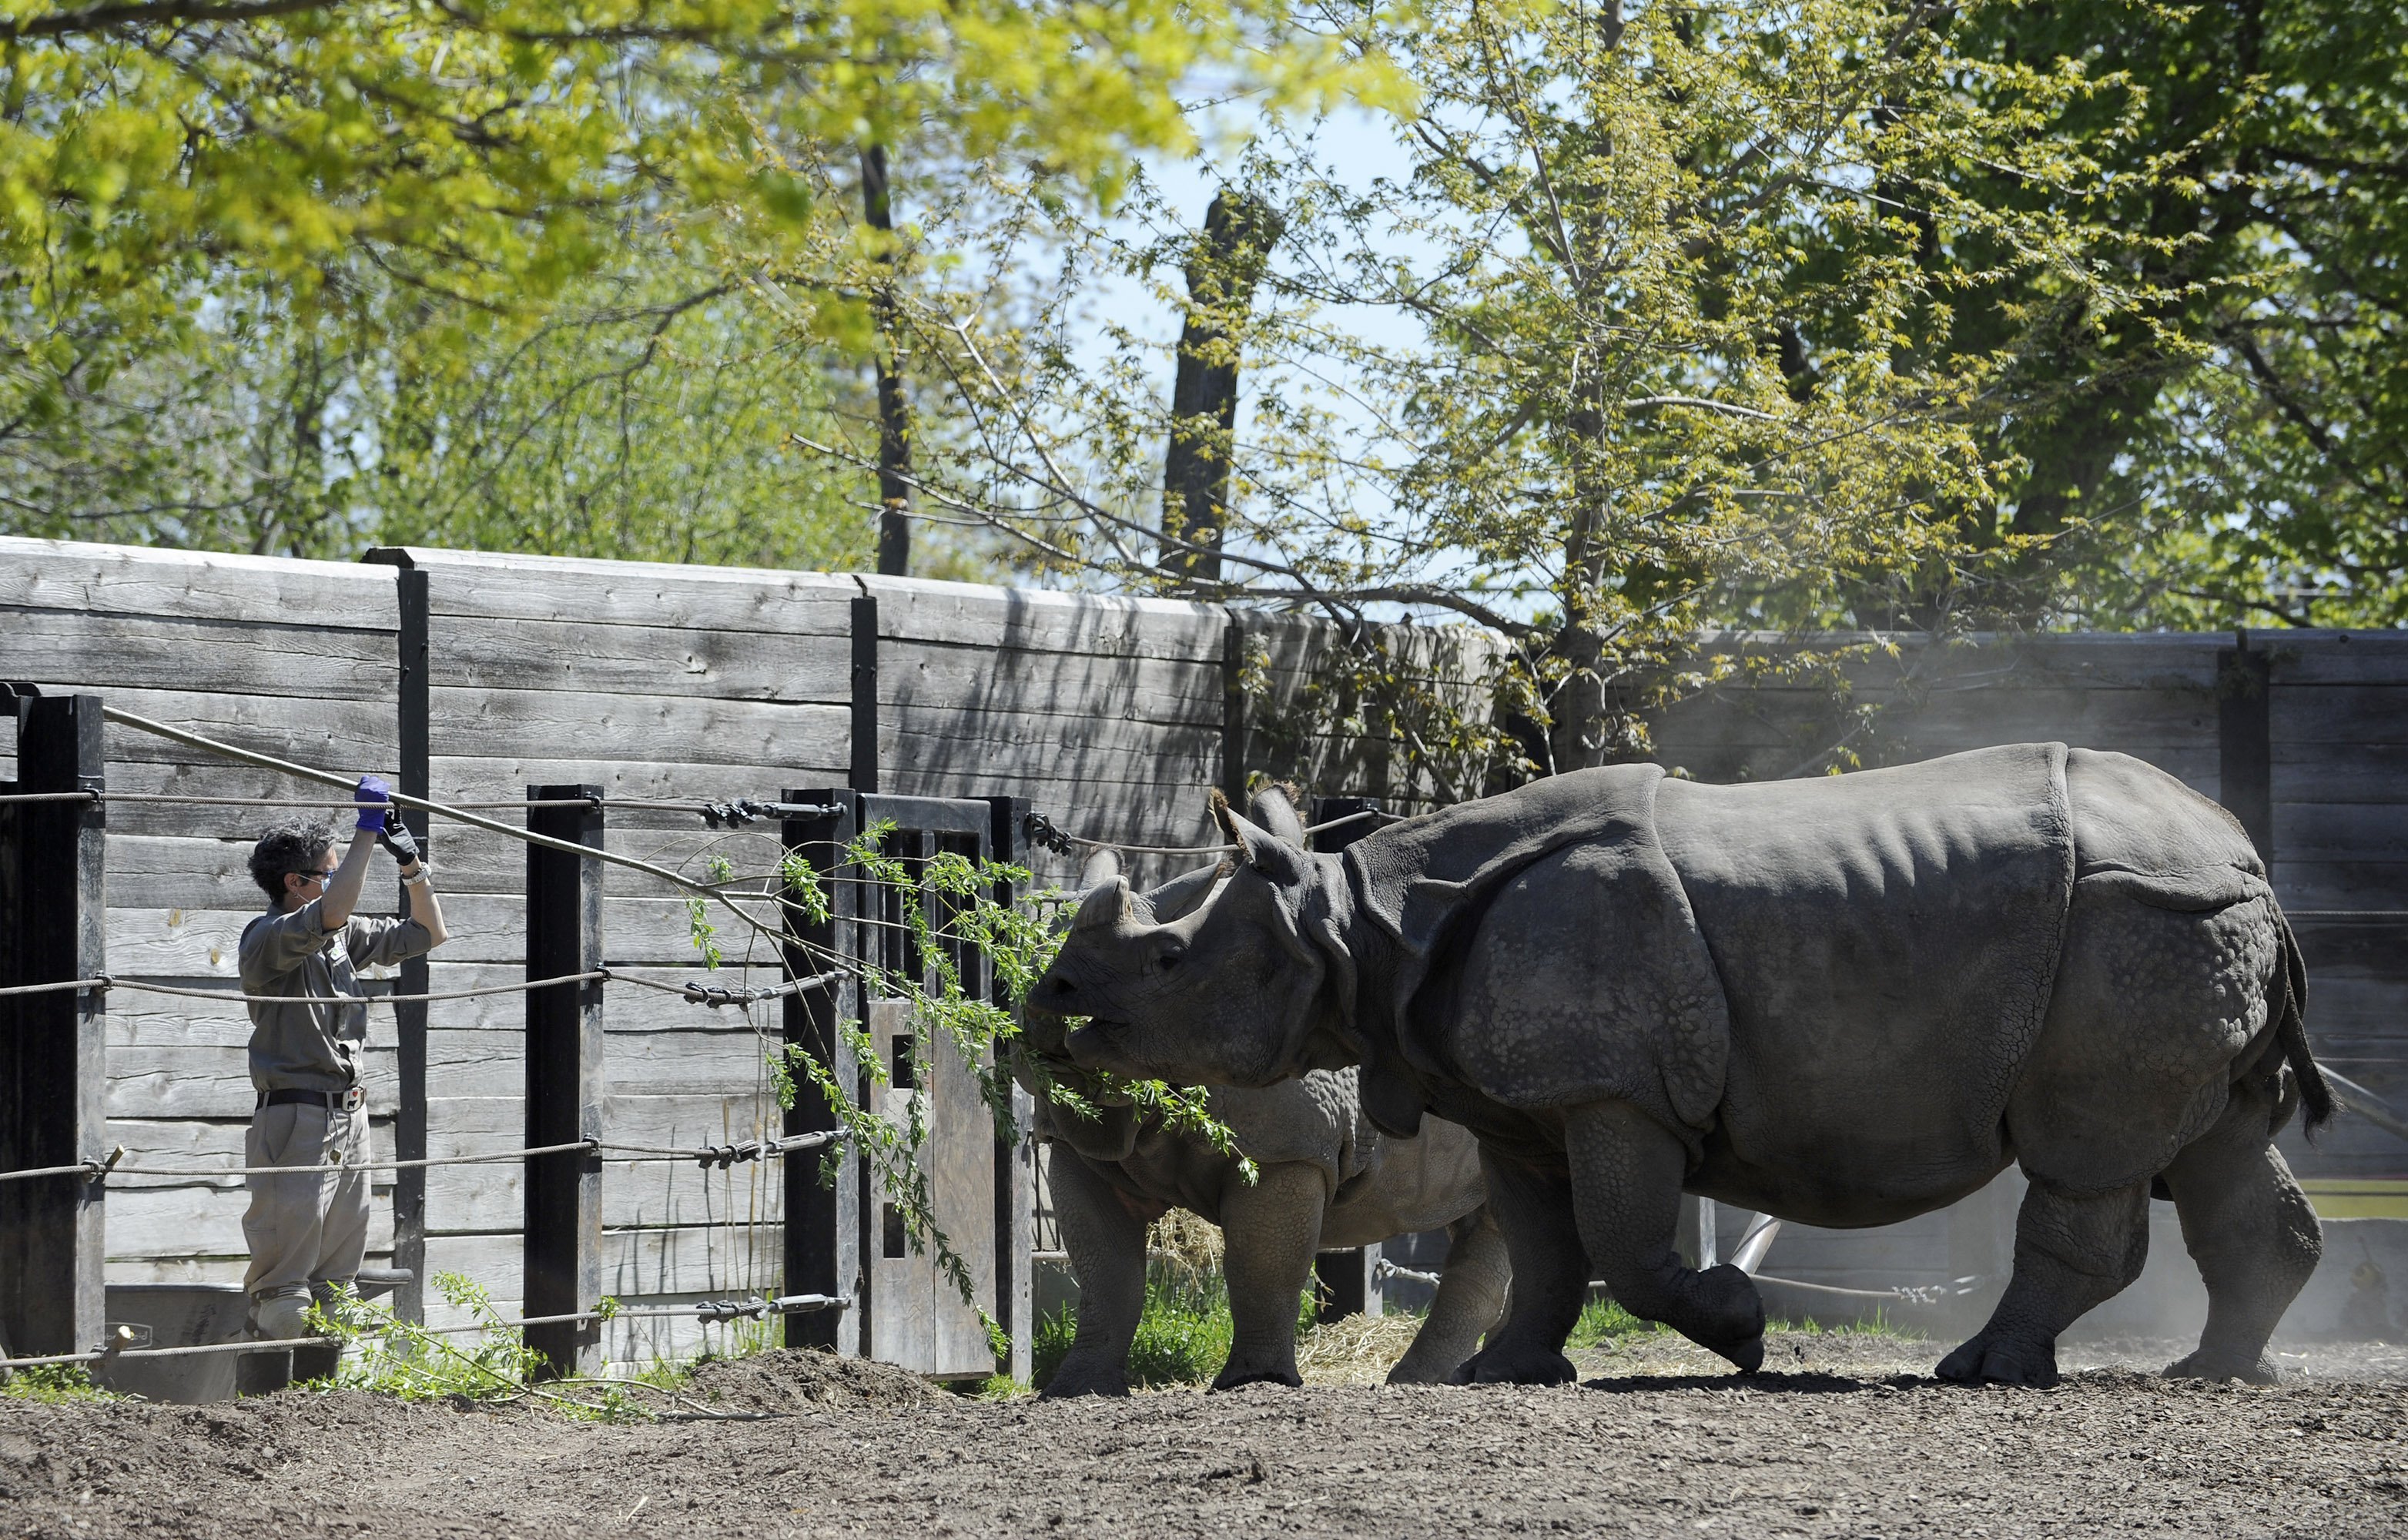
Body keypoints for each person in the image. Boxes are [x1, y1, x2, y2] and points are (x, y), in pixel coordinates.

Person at [239, 775, 448, 1340]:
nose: (337, 881)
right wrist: (365, 831)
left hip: (347, 1114)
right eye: (327, 873)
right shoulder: (267, 938)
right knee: (286, 1299)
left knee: (338, 1299)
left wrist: (411, 865)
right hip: (295, 1115)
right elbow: (333, 910)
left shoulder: (340, 937)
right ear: (295, 883)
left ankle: (330, 1409)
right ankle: (259, 1392)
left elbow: (430, 932)